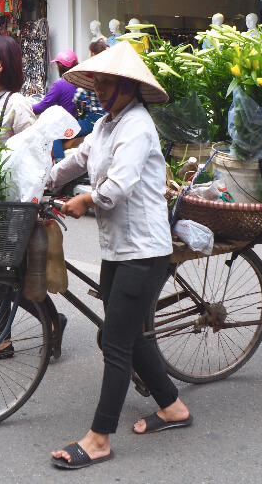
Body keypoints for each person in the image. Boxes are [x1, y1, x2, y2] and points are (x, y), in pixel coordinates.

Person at [49, 41, 191, 470]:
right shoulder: (108, 125)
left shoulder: (138, 126)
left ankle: (98, 439)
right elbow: (77, 159)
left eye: (106, 81)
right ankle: (171, 407)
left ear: (127, 87)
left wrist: (86, 201)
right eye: (96, 81)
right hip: (119, 248)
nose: (97, 88)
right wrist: (42, 179)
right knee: (129, 334)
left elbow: (119, 185)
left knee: (115, 342)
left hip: (144, 250)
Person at [0, 35, 66, 360]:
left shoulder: (17, 104)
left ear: (2, 65)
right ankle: (4, 337)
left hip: (14, 206)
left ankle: (48, 322)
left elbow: (38, 153)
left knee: (12, 276)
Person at [72, 41, 108, 139]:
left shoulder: (91, 75)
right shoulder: (109, 74)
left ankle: (59, 155)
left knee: (59, 133)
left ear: (93, 54)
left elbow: (76, 98)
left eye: (89, 53)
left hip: (92, 120)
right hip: (108, 117)